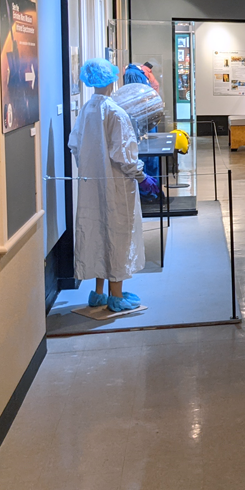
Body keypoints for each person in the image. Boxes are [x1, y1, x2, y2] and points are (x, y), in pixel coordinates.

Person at [68, 58, 154, 312]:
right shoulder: (116, 113)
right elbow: (124, 156)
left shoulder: (86, 110)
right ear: (113, 80)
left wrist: (89, 167)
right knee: (117, 234)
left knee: (97, 233)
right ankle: (116, 295)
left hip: (91, 185)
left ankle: (98, 293)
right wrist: (141, 177)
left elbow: (75, 145)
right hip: (116, 186)